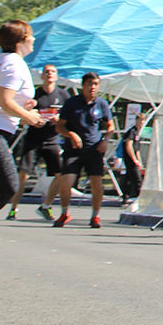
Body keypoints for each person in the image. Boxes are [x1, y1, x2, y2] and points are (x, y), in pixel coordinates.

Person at [0, 19, 47, 254]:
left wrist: (24, 105)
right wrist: (29, 116)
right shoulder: (14, 64)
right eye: (31, 35)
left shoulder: (0, 61)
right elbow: (4, 102)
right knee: (8, 186)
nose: (34, 39)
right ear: (21, 40)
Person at [50, 71, 114, 228]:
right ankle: (65, 213)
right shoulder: (72, 103)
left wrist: (106, 140)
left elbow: (110, 125)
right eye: (89, 84)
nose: (92, 87)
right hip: (74, 149)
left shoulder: (102, 104)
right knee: (66, 182)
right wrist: (71, 134)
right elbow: (59, 126)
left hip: (94, 150)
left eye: (95, 84)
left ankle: (95, 216)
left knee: (97, 184)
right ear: (83, 85)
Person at [7, 62, 68, 221]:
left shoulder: (62, 96)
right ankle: (13, 208)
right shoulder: (34, 93)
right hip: (33, 139)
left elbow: (68, 118)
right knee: (23, 175)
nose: (49, 74)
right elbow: (22, 116)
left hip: (52, 139)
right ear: (42, 76)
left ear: (56, 76)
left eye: (52, 71)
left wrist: (59, 119)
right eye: (46, 72)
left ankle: (46, 206)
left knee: (61, 175)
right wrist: (31, 116)